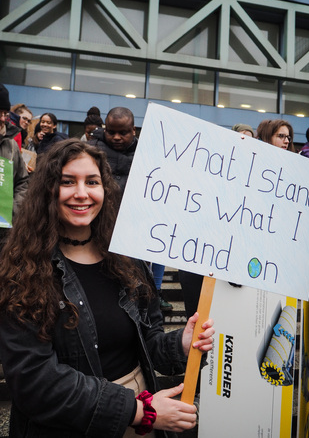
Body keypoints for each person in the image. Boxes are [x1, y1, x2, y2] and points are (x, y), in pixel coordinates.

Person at [0, 139, 214, 438]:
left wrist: (181, 343)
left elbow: (148, 343)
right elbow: (35, 382)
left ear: (105, 190)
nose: (81, 193)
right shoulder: (22, 270)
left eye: (92, 181)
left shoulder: (126, 259)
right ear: (48, 189)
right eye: (67, 182)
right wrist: (139, 412)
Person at [0, 84, 28, 250]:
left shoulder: (10, 145)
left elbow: (23, 182)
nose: (2, 119)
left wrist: (12, 210)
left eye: (4, 113)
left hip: (3, 235)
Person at [89, 107, 137, 194]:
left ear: (133, 130)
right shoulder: (90, 150)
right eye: (111, 133)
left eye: (123, 133)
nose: (116, 137)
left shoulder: (144, 154)